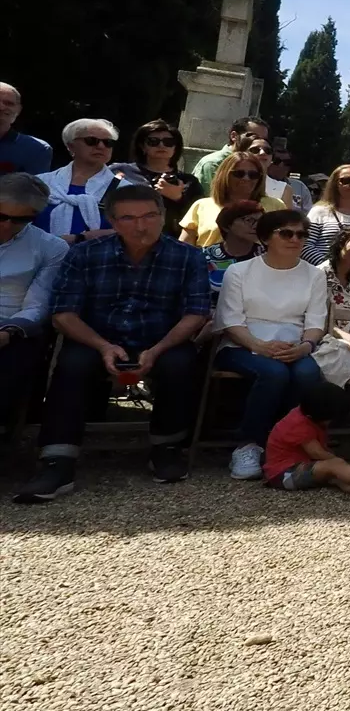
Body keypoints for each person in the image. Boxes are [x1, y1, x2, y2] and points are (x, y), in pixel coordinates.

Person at [15, 183, 211, 501]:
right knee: (73, 364)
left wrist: (158, 348)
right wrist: (103, 346)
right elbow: (64, 313)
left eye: (149, 216)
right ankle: (57, 459)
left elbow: (196, 313)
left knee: (181, 362)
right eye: (128, 218)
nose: (140, 225)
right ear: (114, 222)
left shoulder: (188, 257)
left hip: (160, 338)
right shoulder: (85, 254)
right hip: (97, 338)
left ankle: (167, 446)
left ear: (163, 217)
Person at [212, 209, 332, 481]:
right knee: (273, 373)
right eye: (286, 233)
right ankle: (249, 445)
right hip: (241, 344)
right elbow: (230, 319)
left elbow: (315, 320)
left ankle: (288, 441)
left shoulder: (314, 275)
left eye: (302, 234)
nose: (295, 239)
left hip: (293, 345)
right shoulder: (239, 271)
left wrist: (305, 346)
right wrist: (259, 346)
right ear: (266, 237)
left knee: (307, 373)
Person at [0, 173, 68, 415]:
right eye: (1, 216)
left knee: (18, 354)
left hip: (11, 326)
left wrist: (9, 332)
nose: (7, 225)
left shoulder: (51, 247)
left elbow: (38, 303)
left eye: (19, 220)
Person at [108, 119, 201, 237]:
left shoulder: (188, 181)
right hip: (123, 236)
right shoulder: (120, 171)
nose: (161, 145)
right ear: (142, 146)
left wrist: (178, 198)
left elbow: (198, 218)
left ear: (175, 147)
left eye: (168, 142)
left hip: (169, 242)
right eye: (153, 141)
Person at [34, 118, 121, 243]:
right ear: (70, 146)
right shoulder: (40, 183)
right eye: (91, 141)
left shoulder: (125, 189)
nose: (101, 146)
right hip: (38, 257)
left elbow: (133, 231)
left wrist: (80, 238)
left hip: (97, 259)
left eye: (108, 142)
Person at [178, 153, 282, 247]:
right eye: (239, 174)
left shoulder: (276, 206)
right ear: (225, 175)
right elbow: (184, 246)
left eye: (253, 175)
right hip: (209, 265)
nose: (246, 178)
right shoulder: (202, 205)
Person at [301, 164, 350, 265]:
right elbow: (305, 245)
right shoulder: (318, 211)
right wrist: (331, 268)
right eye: (345, 180)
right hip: (320, 274)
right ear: (335, 184)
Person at [201, 200, 264, 295]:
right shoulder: (204, 256)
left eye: (261, 221)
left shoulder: (267, 256)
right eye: (249, 220)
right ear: (227, 226)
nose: (256, 226)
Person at [0, 83, 52, 175]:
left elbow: (32, 188)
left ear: (18, 110)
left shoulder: (36, 148)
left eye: (9, 103)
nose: (1, 107)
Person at [264, 142, 310, 214]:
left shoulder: (300, 187)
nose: (281, 165)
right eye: (277, 161)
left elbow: (307, 215)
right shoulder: (259, 184)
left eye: (287, 162)